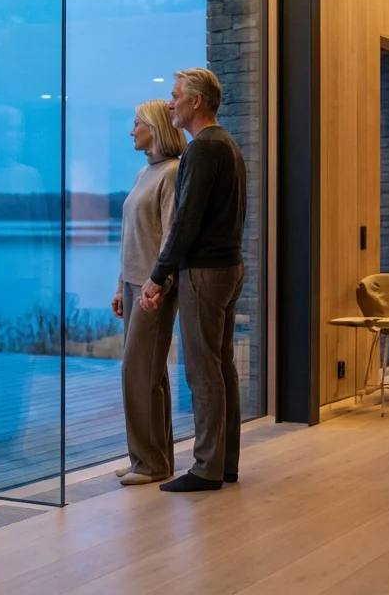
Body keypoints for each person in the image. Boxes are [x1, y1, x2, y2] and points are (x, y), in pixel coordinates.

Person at [140, 67, 246, 493]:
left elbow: (185, 221)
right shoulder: (227, 145)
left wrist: (157, 276)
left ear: (196, 101)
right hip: (228, 268)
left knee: (203, 373)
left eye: (176, 95)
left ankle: (206, 469)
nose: (170, 103)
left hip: (205, 272)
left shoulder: (203, 150)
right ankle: (224, 463)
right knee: (221, 368)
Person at [110, 99, 187, 486]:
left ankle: (152, 463)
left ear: (154, 128)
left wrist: (161, 284)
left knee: (140, 373)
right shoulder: (146, 173)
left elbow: (171, 234)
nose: (132, 130)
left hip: (154, 286)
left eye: (137, 123)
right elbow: (133, 234)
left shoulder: (172, 173)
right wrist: (121, 283)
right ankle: (148, 457)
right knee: (146, 374)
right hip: (135, 282)